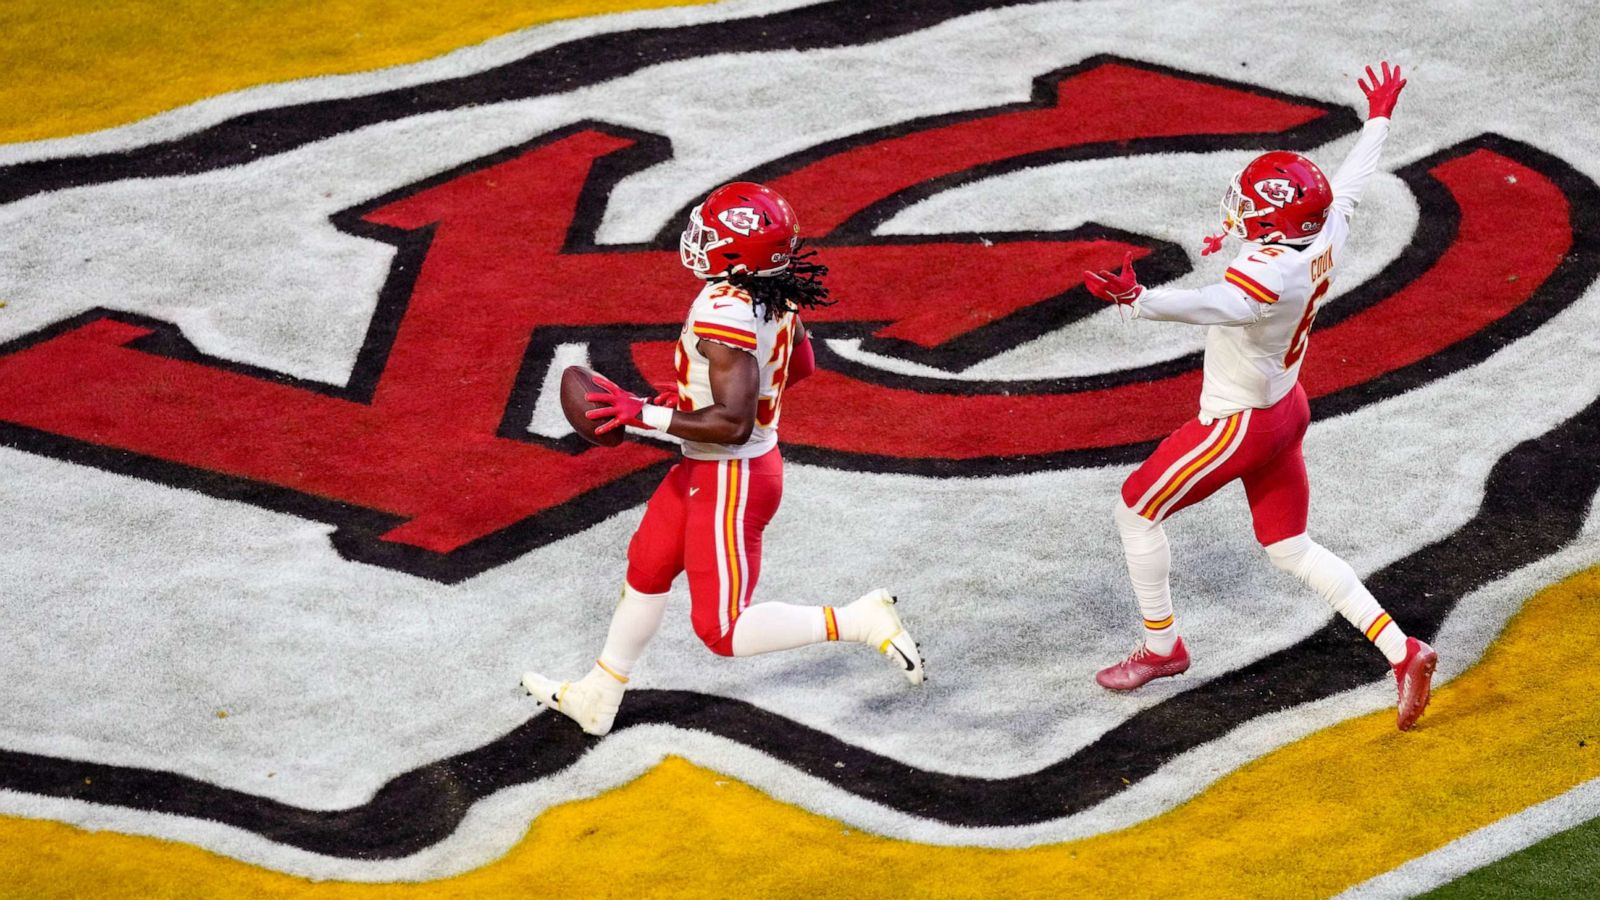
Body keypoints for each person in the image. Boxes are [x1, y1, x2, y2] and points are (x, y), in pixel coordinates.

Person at [1082, 63, 1437, 731]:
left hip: (1239, 422)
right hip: (1285, 407)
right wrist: (1379, 118)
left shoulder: (1267, 273)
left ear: (1275, 222)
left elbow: (1217, 303)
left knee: (1135, 510)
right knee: (1290, 546)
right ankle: (1402, 649)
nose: (1241, 211)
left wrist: (1140, 300)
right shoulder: (1325, 227)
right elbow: (1353, 180)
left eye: (1253, 206)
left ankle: (1163, 647)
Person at [522, 182, 924, 736]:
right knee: (648, 563)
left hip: (730, 474)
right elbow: (799, 366)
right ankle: (600, 692)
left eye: (712, 234)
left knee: (723, 629)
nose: (698, 239)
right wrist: (695, 395)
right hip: (709, 463)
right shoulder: (774, 290)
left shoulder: (724, 309)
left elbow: (733, 427)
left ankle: (857, 620)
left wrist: (642, 412)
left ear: (739, 253)